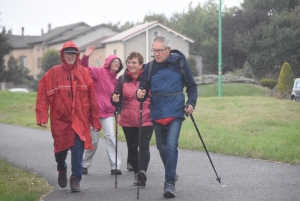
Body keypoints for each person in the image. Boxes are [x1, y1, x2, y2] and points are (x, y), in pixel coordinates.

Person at [35, 41, 102, 193]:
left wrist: (95, 121)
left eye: (73, 53)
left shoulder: (84, 73)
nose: (71, 56)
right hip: (60, 120)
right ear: (62, 55)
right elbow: (42, 95)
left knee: (78, 151)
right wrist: (42, 116)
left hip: (79, 120)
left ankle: (75, 179)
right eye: (68, 53)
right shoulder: (53, 73)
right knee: (60, 151)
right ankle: (61, 168)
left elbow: (92, 99)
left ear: (77, 55)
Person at [137, 35, 198, 198]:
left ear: (168, 50)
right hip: (157, 112)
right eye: (154, 50)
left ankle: (169, 183)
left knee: (171, 146)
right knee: (161, 148)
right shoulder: (149, 68)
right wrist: (140, 93)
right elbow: (142, 90)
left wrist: (191, 103)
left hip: (176, 111)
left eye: (160, 50)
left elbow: (192, 86)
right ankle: (172, 171)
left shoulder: (180, 63)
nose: (156, 54)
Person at [111, 52, 153, 186]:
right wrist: (114, 99)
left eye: (134, 62)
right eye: (129, 62)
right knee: (132, 147)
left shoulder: (148, 78)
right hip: (128, 118)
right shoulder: (122, 79)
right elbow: (116, 98)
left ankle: (142, 172)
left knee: (144, 145)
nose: (130, 65)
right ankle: (136, 172)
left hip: (146, 116)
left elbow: (155, 96)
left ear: (141, 65)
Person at [81, 46, 123, 175]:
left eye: (119, 63)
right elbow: (84, 69)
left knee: (111, 137)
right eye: (114, 61)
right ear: (108, 63)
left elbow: (118, 98)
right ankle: (84, 164)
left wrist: (118, 111)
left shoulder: (117, 81)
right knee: (93, 141)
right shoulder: (99, 72)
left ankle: (115, 166)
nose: (117, 64)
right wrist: (86, 56)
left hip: (109, 113)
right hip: (94, 113)